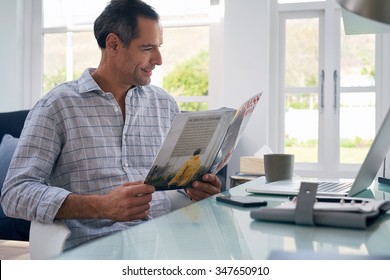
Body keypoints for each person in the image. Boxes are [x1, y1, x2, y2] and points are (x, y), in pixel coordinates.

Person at [0, 0, 221, 251]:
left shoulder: (164, 105)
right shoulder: (57, 106)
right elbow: (15, 194)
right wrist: (102, 206)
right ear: (114, 44)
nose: (158, 59)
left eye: (159, 47)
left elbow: (174, 187)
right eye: (148, 48)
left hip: (164, 247)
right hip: (95, 252)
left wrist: (197, 191)